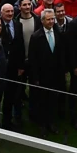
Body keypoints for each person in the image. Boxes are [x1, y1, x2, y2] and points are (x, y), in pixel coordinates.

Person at [25, 9, 68, 139]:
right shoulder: (36, 36)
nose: (51, 21)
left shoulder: (58, 33)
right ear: (42, 21)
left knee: (53, 100)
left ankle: (51, 123)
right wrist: (35, 78)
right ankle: (42, 125)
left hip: (55, 75)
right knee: (41, 101)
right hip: (42, 76)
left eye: (52, 19)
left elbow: (61, 54)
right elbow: (33, 59)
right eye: (48, 19)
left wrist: (62, 72)